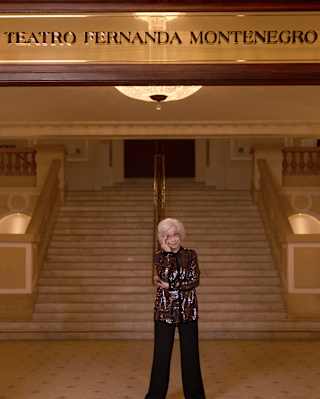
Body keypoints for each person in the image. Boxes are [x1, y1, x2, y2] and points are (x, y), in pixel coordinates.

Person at [145, 218, 206, 399]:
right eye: (168, 236)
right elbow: (164, 275)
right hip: (164, 311)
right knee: (161, 356)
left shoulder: (191, 254)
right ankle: (155, 395)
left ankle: (195, 396)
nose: (173, 239)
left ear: (181, 235)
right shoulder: (159, 256)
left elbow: (195, 280)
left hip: (188, 310)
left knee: (191, 356)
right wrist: (167, 254)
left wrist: (171, 285)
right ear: (162, 238)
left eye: (175, 234)